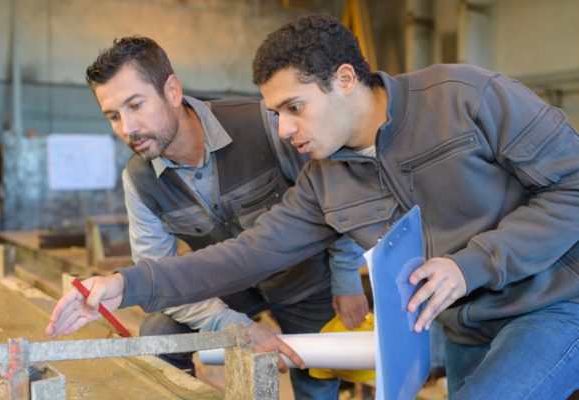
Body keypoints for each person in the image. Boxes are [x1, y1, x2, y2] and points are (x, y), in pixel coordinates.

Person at [47, 16, 579, 399]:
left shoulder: (465, 98)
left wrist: (473, 265)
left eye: (293, 108)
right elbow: (245, 255)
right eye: (275, 112)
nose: (282, 129)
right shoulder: (327, 179)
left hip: (553, 303)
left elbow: (574, 186)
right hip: (464, 324)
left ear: (344, 80)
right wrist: (123, 285)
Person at [60, 35, 370, 399]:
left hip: (306, 279)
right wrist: (232, 326)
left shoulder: (264, 125)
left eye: (136, 105)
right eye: (113, 116)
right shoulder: (139, 179)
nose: (128, 129)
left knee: (317, 378)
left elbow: (338, 194)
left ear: (172, 90)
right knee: (159, 334)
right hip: (229, 288)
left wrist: (346, 278)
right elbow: (158, 274)